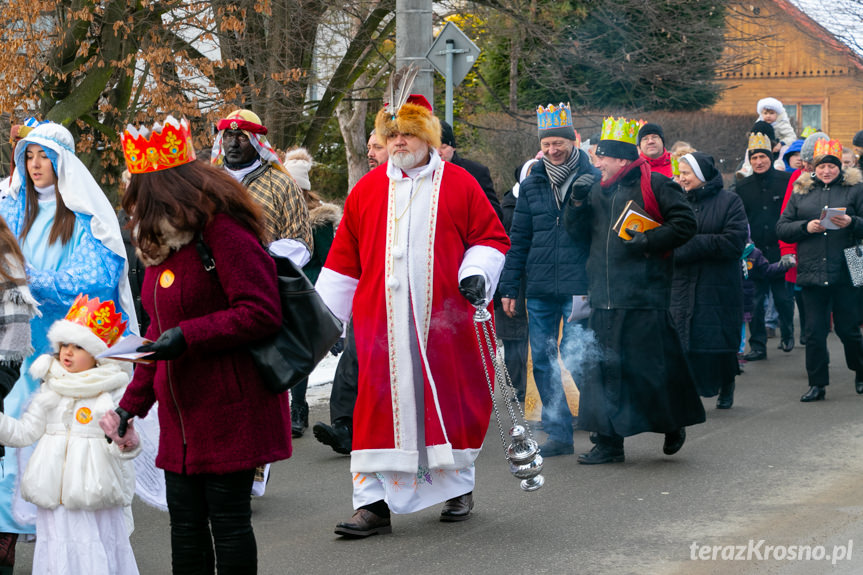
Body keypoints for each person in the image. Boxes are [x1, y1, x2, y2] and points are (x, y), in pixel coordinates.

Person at [316, 80, 509, 536]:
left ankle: (456, 488)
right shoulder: (366, 190)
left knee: (448, 406)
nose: (399, 142)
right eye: (393, 134)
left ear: (429, 138)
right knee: (376, 408)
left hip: (444, 324)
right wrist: (326, 318)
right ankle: (372, 504)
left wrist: (476, 271)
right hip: (380, 327)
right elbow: (344, 258)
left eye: (409, 133)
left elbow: (491, 237)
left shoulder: (459, 184)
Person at [103, 116, 292, 573]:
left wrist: (188, 335)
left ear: (164, 192)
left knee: (228, 526)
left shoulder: (222, 231)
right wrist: (130, 408)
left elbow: (261, 311)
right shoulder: (159, 245)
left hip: (231, 406)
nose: (133, 210)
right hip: (181, 418)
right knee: (184, 529)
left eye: (138, 197)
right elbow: (156, 341)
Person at [0, 121, 136, 557]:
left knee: (57, 451)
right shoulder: (11, 208)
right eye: (28, 156)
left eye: (43, 156)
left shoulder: (84, 217)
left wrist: (24, 278)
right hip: (14, 342)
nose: (35, 165)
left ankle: (70, 553)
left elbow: (95, 280)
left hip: (65, 354)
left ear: (62, 163)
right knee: (11, 449)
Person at [564, 116, 704, 464]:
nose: (595, 163)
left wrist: (648, 240)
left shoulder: (657, 184)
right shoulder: (595, 190)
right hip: (604, 298)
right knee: (603, 371)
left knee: (650, 370)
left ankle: (673, 423)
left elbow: (686, 224)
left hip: (644, 297)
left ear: (622, 160)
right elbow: (576, 236)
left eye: (601, 158)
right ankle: (609, 443)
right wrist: (576, 203)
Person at [0, 295, 140, 574]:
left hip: (93, 497)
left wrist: (124, 440)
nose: (67, 352)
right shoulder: (51, 389)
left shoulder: (109, 393)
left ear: (98, 354)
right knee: (58, 556)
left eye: (78, 346)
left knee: (92, 553)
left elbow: (124, 449)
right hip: (55, 498)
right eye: (64, 344)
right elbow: (26, 431)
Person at [499, 102, 599, 457]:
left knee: (579, 357)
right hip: (539, 287)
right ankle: (558, 432)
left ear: (573, 140)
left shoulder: (593, 177)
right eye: (546, 145)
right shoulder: (532, 183)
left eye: (558, 143)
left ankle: (598, 422)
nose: (553, 151)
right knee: (541, 359)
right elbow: (519, 238)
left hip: (579, 286)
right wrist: (509, 286)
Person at [312, 133, 390, 455]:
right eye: (368, 146)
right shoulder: (364, 189)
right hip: (369, 294)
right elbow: (347, 248)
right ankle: (344, 427)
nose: (370, 152)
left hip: (410, 298)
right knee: (353, 359)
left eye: (377, 146)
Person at [776, 139, 863, 402]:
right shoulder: (801, 190)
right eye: (822, 166)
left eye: (831, 166)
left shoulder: (856, 189)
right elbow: (782, 226)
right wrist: (806, 227)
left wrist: (851, 222)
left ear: (839, 168)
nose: (827, 171)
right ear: (813, 167)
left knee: (848, 330)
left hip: (847, 269)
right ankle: (817, 384)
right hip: (812, 270)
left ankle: (860, 371)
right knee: (814, 332)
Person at [671, 153, 748, 409]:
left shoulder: (729, 201)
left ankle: (726, 383)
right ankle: (688, 393)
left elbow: (734, 242)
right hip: (681, 282)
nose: (681, 178)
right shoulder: (676, 201)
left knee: (717, 341)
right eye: (680, 173)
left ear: (702, 175)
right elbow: (669, 238)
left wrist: (692, 245)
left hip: (718, 283)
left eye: (687, 173)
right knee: (684, 339)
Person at [283, 147, 342, 438]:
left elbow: (328, 261)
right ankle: (287, 408)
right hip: (277, 288)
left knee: (300, 350)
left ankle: (298, 407)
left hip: (306, 290)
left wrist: (315, 289)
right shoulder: (275, 213)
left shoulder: (318, 220)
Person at [211, 109, 313, 265]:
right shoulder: (208, 182)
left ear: (256, 142)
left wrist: (256, 255)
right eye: (228, 136)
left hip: (264, 280)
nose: (233, 144)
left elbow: (301, 242)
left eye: (242, 137)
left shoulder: (282, 185)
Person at [733, 130, 794, 359]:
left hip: (780, 248)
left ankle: (787, 334)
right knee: (755, 302)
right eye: (754, 158)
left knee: (783, 298)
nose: (759, 162)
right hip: (753, 251)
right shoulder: (742, 186)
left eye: (763, 157)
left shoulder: (785, 180)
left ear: (771, 157)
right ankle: (757, 345)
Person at [493, 158, 537, 403]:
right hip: (512, 279)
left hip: (535, 277)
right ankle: (519, 384)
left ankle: (532, 388)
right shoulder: (506, 206)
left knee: (533, 337)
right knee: (513, 338)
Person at [438, 120, 503, 221]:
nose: (438, 153)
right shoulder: (421, 175)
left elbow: (494, 213)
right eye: (433, 148)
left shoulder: (476, 171)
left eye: (443, 147)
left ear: (453, 147)